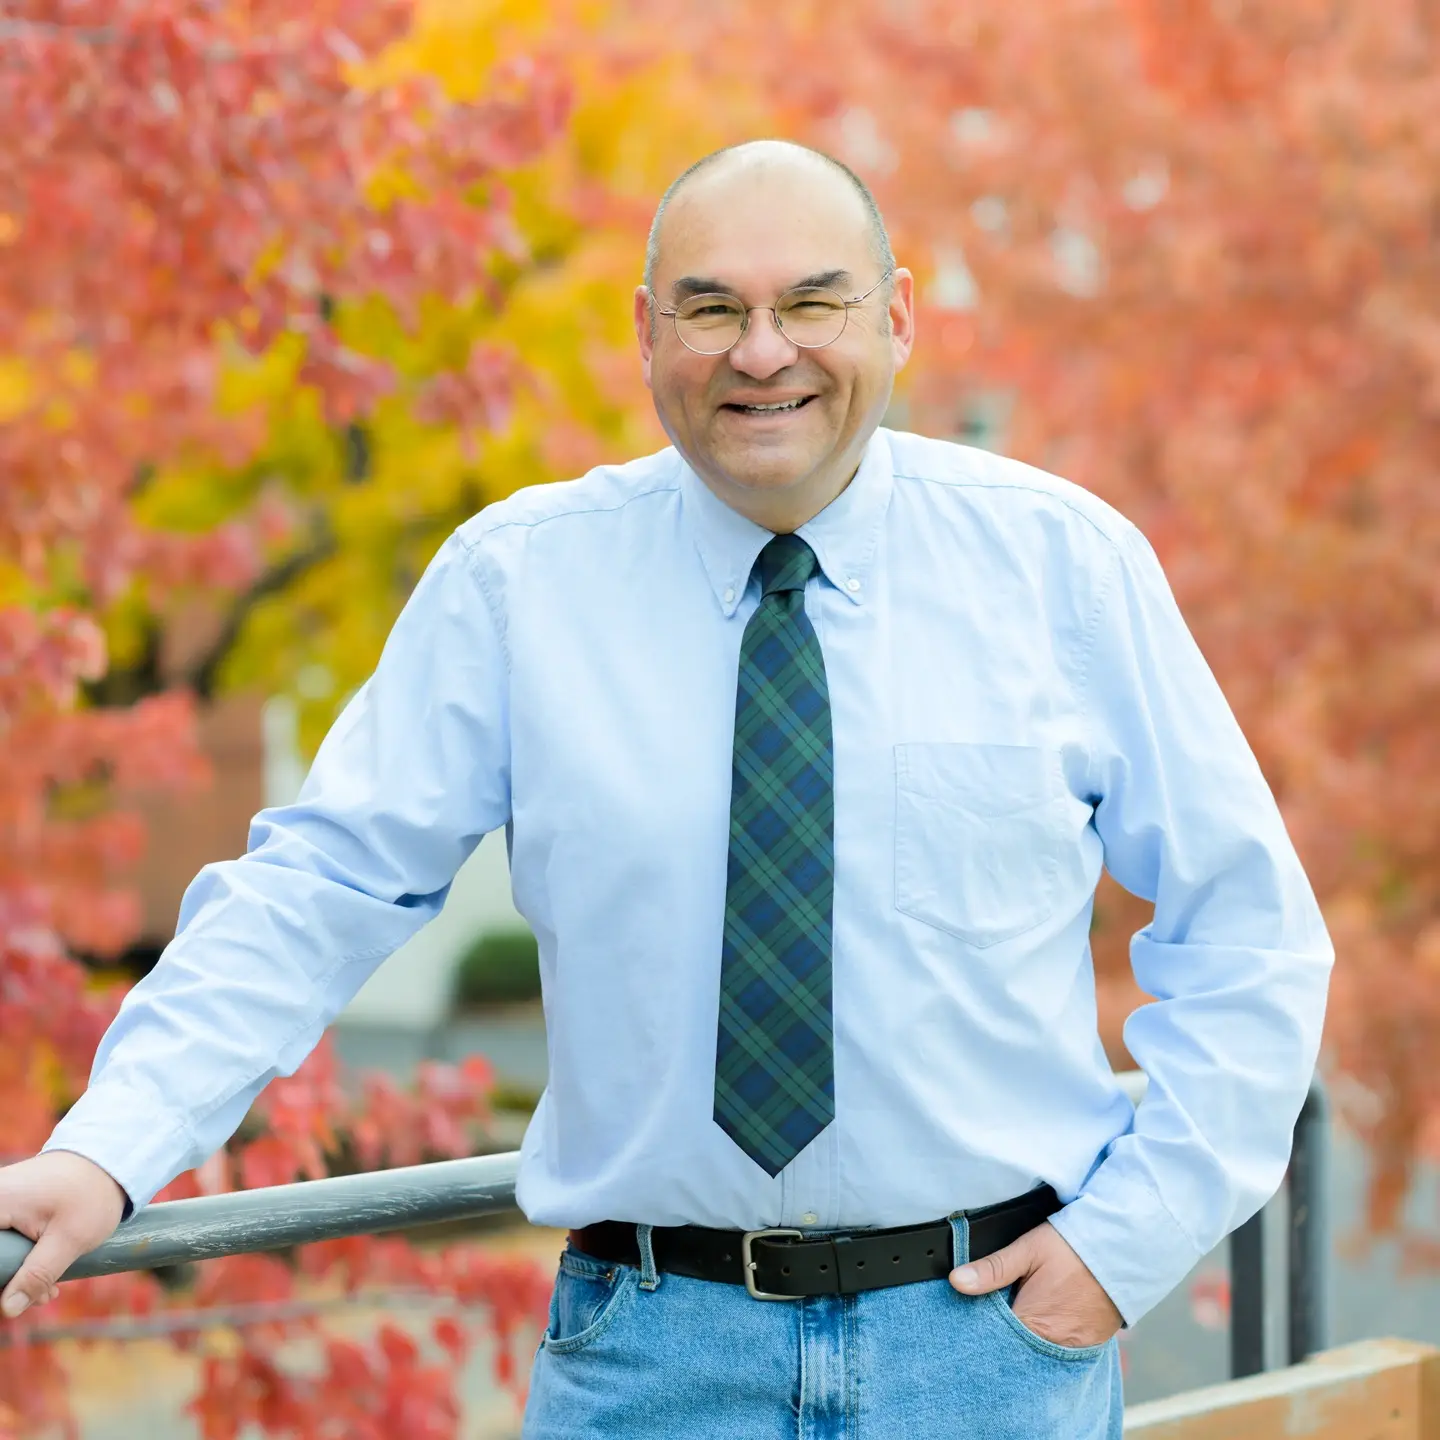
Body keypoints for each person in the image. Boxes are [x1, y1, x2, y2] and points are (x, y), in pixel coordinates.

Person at [0, 140, 1332, 1437]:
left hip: (987, 1358)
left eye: (814, 301)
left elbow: (1250, 935)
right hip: (650, 1361)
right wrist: (111, 1145)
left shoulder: (1064, 568)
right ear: (647, 331)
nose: (763, 352)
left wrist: (1125, 1243)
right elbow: (318, 888)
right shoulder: (519, 583)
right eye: (713, 309)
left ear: (898, 316)